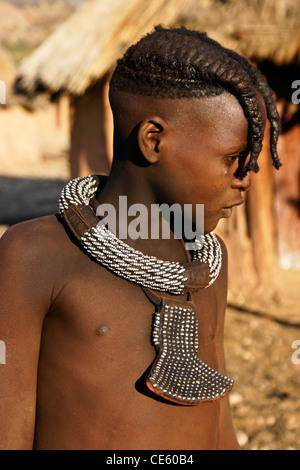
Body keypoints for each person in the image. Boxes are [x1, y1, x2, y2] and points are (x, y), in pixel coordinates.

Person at [0, 26, 281, 450]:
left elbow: (218, 421)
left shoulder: (206, 266)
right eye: (231, 160)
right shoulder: (35, 258)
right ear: (154, 140)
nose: (245, 181)